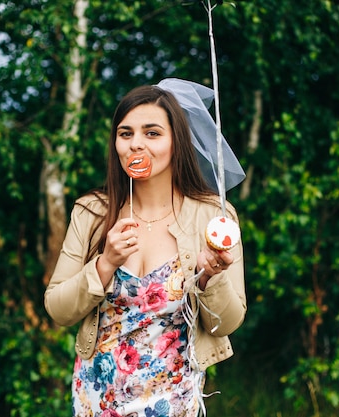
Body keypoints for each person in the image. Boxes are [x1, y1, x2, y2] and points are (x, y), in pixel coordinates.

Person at [44, 79, 246, 417]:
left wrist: (210, 277)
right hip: (98, 398)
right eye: (126, 134)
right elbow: (58, 309)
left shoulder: (212, 216)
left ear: (177, 142)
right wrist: (105, 263)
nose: (136, 144)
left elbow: (226, 323)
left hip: (173, 399)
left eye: (152, 133)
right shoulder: (92, 211)